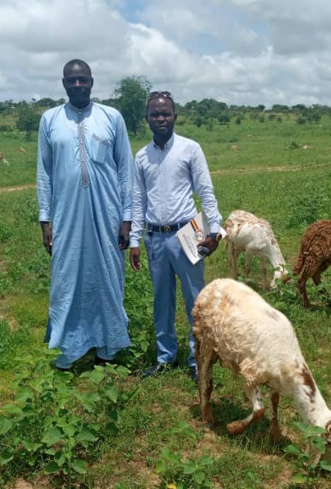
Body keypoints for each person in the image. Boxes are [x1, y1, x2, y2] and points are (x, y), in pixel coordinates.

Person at [36, 59, 134, 370]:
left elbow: (125, 170)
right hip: (65, 214)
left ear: (92, 82)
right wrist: (45, 219)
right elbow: (44, 172)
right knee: (67, 278)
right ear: (64, 84)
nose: (77, 85)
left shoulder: (112, 117)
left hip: (107, 213)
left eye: (83, 80)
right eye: (71, 81)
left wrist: (127, 218)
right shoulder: (50, 119)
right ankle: (67, 348)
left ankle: (108, 346)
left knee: (107, 277)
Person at [129, 91, 223, 382]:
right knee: (162, 300)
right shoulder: (142, 156)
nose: (160, 118)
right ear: (147, 119)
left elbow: (205, 191)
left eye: (165, 113)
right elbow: (137, 200)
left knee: (195, 300)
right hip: (155, 236)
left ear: (174, 117)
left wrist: (214, 230)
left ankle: (198, 359)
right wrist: (135, 239)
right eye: (155, 114)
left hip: (189, 233)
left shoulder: (190, 149)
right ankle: (165, 356)